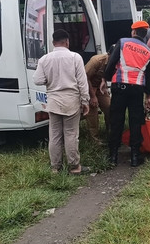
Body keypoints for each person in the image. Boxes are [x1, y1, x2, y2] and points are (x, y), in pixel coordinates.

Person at [33, 29, 90, 174]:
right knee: (71, 134)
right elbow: (82, 82)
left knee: (55, 135)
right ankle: (74, 166)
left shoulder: (44, 59)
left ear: (53, 43)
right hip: (71, 100)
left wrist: (49, 81)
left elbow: (37, 80)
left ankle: (55, 167)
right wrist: (85, 101)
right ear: (67, 42)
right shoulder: (75, 57)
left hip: (53, 101)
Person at [105, 20, 150, 167]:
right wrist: (148, 95)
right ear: (145, 34)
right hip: (136, 90)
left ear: (133, 32)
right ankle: (134, 156)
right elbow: (149, 78)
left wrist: (108, 78)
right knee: (135, 122)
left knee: (116, 121)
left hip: (119, 87)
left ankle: (113, 156)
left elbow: (111, 63)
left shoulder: (122, 42)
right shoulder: (149, 52)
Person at [84, 45, 113, 144]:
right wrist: (92, 96)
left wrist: (104, 83)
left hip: (100, 87)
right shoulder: (97, 60)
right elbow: (85, 78)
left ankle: (111, 134)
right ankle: (94, 140)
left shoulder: (115, 62)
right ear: (109, 54)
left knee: (109, 107)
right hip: (88, 87)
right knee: (93, 112)